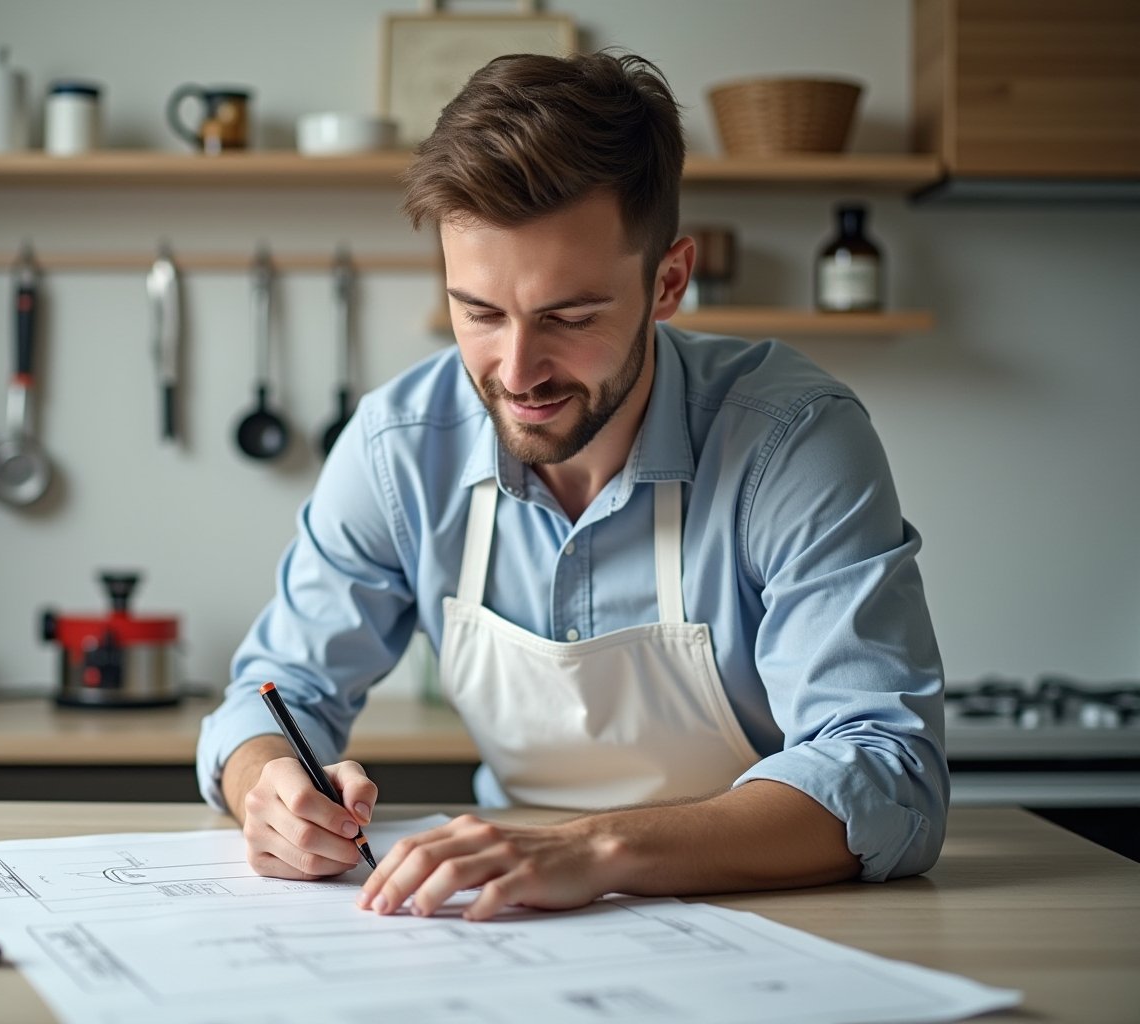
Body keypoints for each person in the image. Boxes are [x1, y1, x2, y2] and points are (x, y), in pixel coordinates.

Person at [196, 51, 947, 922]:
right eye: (478, 313)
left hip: (781, 914)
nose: (516, 372)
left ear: (668, 281)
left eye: (569, 317)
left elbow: (889, 770)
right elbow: (273, 694)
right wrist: (268, 787)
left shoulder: (792, 440)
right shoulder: (399, 447)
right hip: (509, 918)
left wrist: (595, 849)